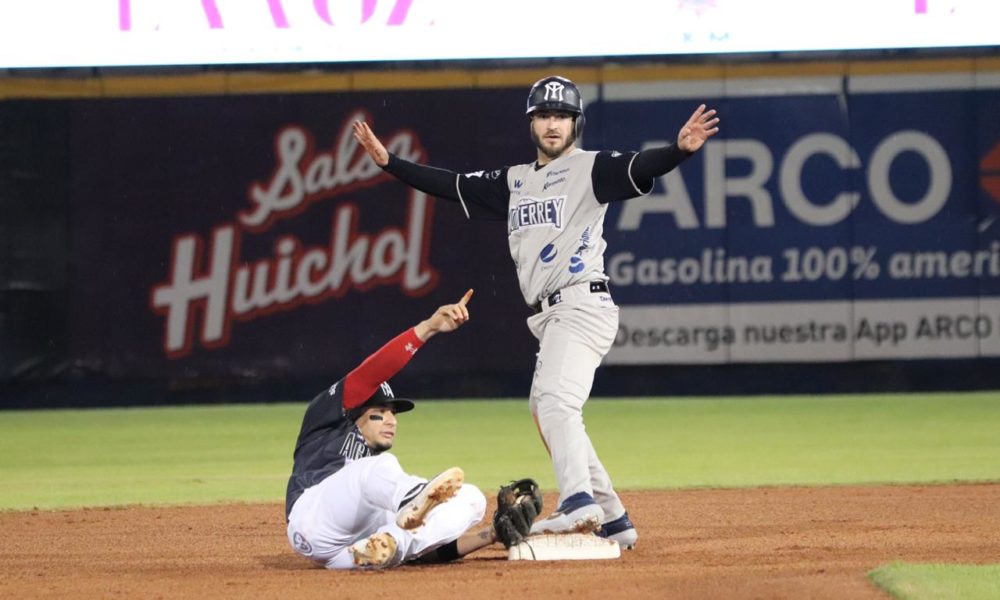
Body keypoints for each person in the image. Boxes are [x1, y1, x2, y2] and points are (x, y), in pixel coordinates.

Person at [352, 76, 720, 550]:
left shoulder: (590, 168)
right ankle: (612, 518)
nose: (553, 123)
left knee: (555, 405)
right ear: (532, 123)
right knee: (546, 409)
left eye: (563, 116)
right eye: (545, 115)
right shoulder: (517, 180)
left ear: (575, 123)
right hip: (552, 314)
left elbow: (641, 164)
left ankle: (578, 501)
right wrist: (390, 164)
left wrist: (678, 151)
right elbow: (452, 184)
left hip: (581, 302)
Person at [285, 289, 533, 569]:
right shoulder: (326, 416)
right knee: (380, 470)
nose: (391, 420)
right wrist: (428, 328)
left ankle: (393, 541)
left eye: (393, 413)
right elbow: (373, 370)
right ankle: (414, 499)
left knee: (472, 498)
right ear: (353, 411)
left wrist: (488, 536)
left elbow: (427, 551)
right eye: (380, 412)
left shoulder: (373, 478)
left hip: (349, 551)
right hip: (312, 519)